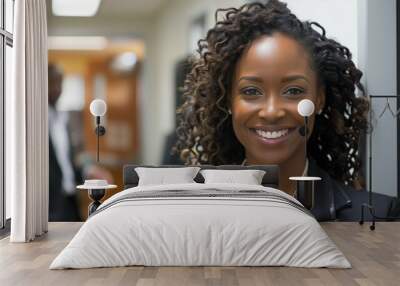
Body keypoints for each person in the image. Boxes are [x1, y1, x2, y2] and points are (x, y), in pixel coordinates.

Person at [174, 0, 399, 221]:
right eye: (251, 91)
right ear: (228, 101)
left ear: (319, 99)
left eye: (293, 90)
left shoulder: (379, 215)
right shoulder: (192, 215)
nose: (272, 112)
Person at [48, 64, 113, 221]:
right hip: (49, 204)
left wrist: (88, 170)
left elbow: (67, 161)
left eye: (60, 83)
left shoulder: (62, 120)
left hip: (69, 199)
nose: (58, 89)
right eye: (53, 83)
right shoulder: (33, 122)